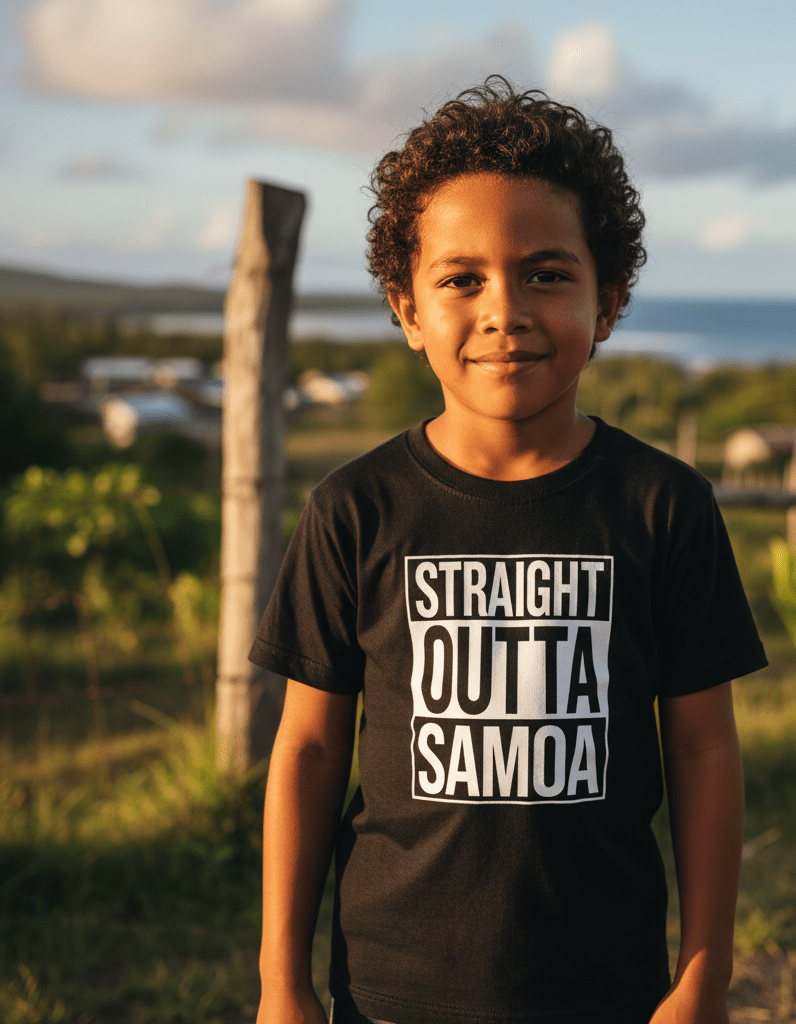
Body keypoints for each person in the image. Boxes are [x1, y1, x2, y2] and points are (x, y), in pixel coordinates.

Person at [250, 77, 767, 1024]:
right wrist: (280, 984)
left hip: (608, 991)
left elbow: (701, 749)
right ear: (407, 310)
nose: (505, 310)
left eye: (547, 273)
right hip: (389, 995)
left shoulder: (663, 507)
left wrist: (704, 975)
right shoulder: (354, 510)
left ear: (607, 303)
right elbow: (312, 749)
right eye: (461, 279)